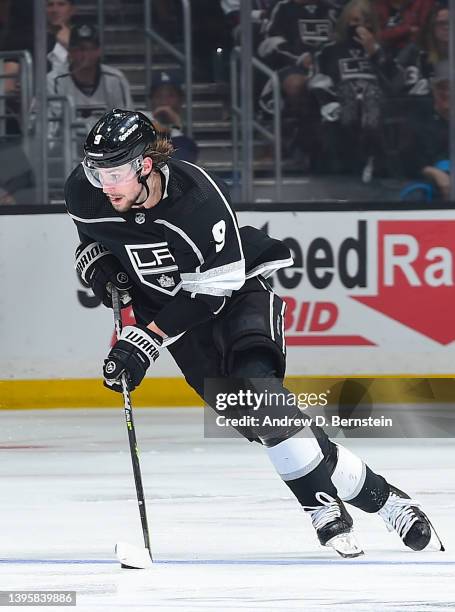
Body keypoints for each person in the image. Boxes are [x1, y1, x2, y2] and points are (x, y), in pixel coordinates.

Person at [65, 108, 442, 558]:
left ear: (145, 165)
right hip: (176, 324)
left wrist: (145, 340)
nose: (105, 185)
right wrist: (100, 269)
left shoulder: (197, 199)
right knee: (269, 421)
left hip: (236, 297)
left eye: (116, 172)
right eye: (96, 171)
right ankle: (387, 501)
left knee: (259, 392)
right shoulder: (85, 194)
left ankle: (318, 505)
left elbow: (212, 293)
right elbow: (93, 242)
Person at [47, 23, 133, 134]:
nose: (85, 55)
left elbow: (126, 121)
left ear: (98, 51)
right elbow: (57, 125)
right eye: (79, 49)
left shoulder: (116, 79)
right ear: (70, 52)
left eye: (90, 49)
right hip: (67, 146)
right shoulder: (54, 80)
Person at [402, 59, 449, 200]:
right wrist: (434, 173)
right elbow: (408, 161)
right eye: (442, 87)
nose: (447, 92)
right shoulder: (419, 118)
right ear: (433, 90)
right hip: (427, 183)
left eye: (451, 87)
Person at [147, 70, 199, 163]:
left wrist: (175, 128)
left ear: (180, 100)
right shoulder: (140, 127)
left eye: (170, 95)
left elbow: (181, 163)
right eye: (158, 95)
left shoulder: (187, 141)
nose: (164, 100)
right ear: (151, 100)